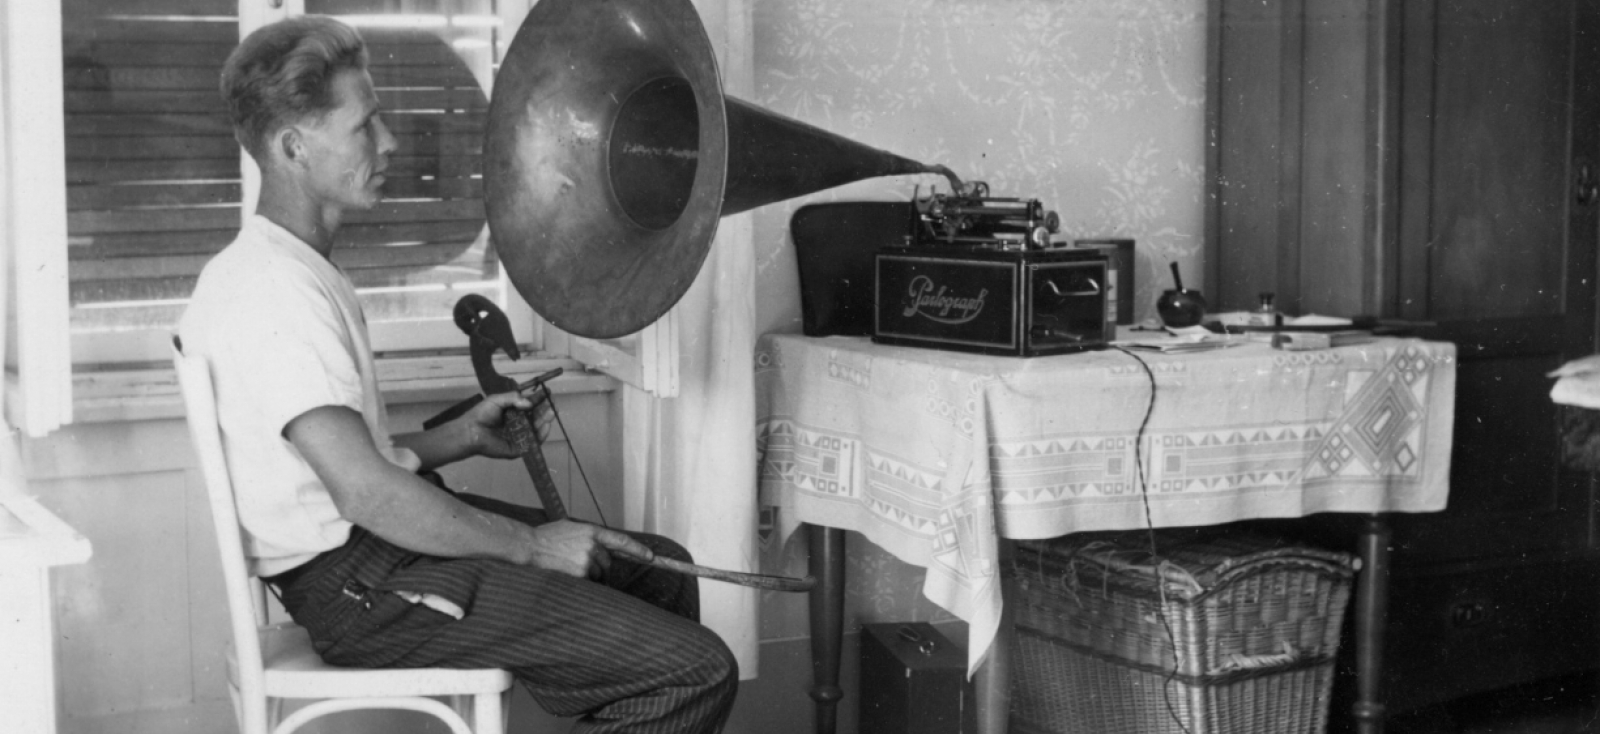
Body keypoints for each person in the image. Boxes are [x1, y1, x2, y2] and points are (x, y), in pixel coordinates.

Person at [178, 16, 737, 733]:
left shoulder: (278, 269)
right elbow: (366, 494)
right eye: (364, 126)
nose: (388, 144)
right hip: (364, 588)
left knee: (657, 567)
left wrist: (461, 439)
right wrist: (535, 547)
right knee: (696, 671)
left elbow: (331, 465)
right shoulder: (273, 291)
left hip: (373, 559)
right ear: (293, 147)